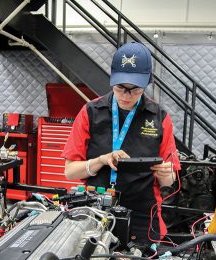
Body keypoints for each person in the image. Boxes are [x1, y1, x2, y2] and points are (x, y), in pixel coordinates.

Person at [62, 41, 181, 244]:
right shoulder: (91, 112)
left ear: (147, 83)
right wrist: (101, 160)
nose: (126, 96)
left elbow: (169, 182)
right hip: (96, 209)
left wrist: (167, 174)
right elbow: (70, 172)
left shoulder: (159, 117)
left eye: (135, 90)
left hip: (142, 214)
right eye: (120, 88)